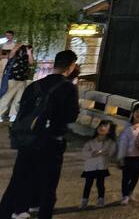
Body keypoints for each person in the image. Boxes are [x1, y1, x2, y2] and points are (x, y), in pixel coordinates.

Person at [0, 49, 80, 219]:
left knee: (18, 180)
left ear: (54, 64)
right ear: (71, 66)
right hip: (51, 142)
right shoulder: (68, 88)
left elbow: (22, 111)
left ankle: (8, 212)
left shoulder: (34, 86)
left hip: (28, 140)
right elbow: (71, 116)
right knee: (48, 187)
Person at [80, 120, 116, 207]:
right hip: (90, 166)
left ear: (109, 130)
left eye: (105, 126)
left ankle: (101, 200)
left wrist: (104, 152)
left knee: (100, 183)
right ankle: (84, 200)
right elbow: (84, 152)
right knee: (88, 183)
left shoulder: (110, 143)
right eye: (101, 126)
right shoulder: (91, 141)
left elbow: (111, 152)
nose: (102, 128)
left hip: (102, 166)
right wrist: (93, 153)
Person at [0, 44, 34, 122]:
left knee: (19, 98)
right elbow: (12, 52)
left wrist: (29, 52)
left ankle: (13, 115)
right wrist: (19, 45)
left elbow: (31, 62)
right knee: (7, 97)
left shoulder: (26, 57)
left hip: (23, 80)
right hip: (12, 79)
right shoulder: (13, 56)